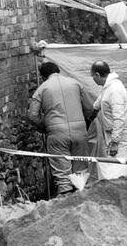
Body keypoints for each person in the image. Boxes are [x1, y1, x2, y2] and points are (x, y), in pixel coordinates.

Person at [28, 62, 94, 196]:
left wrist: (45, 127)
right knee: (80, 168)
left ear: (43, 76)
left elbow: (32, 115)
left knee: (62, 172)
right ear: (58, 70)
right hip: (80, 131)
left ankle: (65, 200)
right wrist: (84, 123)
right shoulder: (75, 83)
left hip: (57, 133)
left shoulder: (42, 88)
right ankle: (82, 199)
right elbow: (90, 108)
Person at [91, 61, 127, 180]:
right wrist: (93, 111)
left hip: (122, 137)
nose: (92, 78)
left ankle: (124, 195)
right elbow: (101, 100)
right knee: (115, 168)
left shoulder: (114, 89)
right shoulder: (108, 87)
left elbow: (119, 118)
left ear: (97, 75)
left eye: (92, 75)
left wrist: (115, 142)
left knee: (120, 171)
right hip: (116, 135)